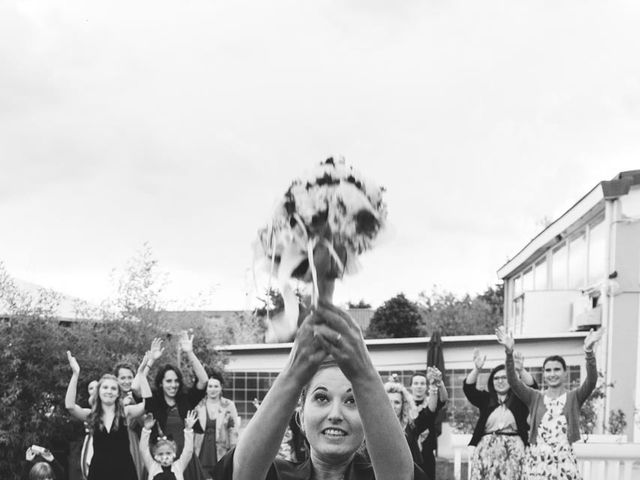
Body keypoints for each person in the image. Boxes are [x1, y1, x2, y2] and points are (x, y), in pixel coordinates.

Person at [215, 303, 426, 480]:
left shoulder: (386, 472)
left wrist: (365, 374)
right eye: (322, 398)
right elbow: (239, 474)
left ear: (368, 421)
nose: (335, 415)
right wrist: (294, 373)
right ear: (300, 416)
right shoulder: (277, 475)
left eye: (352, 401)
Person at [496, 326, 604, 480]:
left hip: (564, 462)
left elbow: (592, 380)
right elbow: (513, 381)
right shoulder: (534, 397)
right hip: (537, 461)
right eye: (548, 370)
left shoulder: (574, 397)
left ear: (565, 373)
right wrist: (508, 353)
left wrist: (588, 352)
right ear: (544, 374)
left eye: (557, 369)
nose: (552, 374)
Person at [65, 351, 152, 480]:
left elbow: (148, 404)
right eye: (105, 388)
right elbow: (70, 406)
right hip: (99, 472)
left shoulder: (125, 412)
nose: (109, 391)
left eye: (113, 389)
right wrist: (75, 374)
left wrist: (141, 374)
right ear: (98, 391)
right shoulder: (92, 415)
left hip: (125, 472)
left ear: (118, 393)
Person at [463, 348, 537, 480]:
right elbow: (468, 389)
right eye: (496, 378)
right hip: (486, 449)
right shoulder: (486, 399)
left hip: (514, 449)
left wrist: (520, 370)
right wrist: (477, 369)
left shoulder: (520, 399)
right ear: (492, 381)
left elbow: (534, 388)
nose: (500, 381)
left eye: (504, 377)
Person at [144, 332, 209, 480]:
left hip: (186, 462)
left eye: (176, 381)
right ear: (161, 383)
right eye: (168, 381)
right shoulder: (154, 402)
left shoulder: (186, 400)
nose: (173, 385)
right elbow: (136, 386)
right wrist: (150, 361)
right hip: (161, 462)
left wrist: (190, 353)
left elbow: (204, 380)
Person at [194, 372, 239, 478]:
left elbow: (233, 430)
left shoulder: (229, 405)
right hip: (200, 451)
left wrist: (233, 451)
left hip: (221, 451)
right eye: (210, 386)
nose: (212, 389)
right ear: (206, 388)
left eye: (216, 386)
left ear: (221, 388)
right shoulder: (198, 405)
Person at [409, 368, 447, 479]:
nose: (419, 386)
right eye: (416, 383)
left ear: (426, 386)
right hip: (409, 451)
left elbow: (444, 399)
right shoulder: (405, 404)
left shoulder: (432, 402)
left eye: (422, 383)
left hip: (427, 452)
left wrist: (439, 383)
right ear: (411, 386)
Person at [139, 410, 198, 480]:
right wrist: (146, 429)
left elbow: (188, 451)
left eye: (168, 453)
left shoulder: (179, 466)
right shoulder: (152, 466)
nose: (165, 457)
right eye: (160, 454)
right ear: (155, 454)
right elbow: (143, 449)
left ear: (174, 453)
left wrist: (188, 429)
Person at [383, 381, 424, 467]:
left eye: (397, 402)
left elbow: (430, 413)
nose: (392, 406)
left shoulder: (411, 426)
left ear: (403, 405)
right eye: (388, 401)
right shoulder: (375, 428)